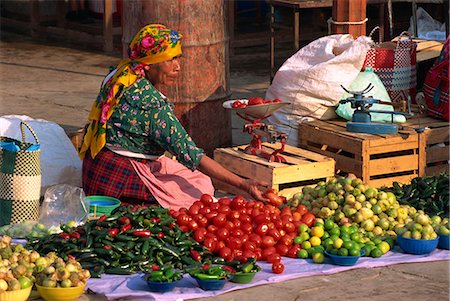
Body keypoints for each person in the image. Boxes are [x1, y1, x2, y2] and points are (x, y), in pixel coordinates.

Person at [80, 24, 267, 210]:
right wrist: (244, 184)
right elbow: (193, 156)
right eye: (170, 60)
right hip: (118, 177)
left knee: (198, 179)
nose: (178, 67)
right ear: (149, 64)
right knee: (195, 195)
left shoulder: (120, 75)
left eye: (178, 58)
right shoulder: (152, 106)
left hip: (95, 166)